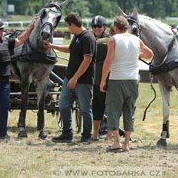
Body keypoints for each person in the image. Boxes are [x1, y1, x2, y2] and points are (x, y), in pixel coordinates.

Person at [100, 16, 153, 152]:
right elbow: (149, 54)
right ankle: (126, 144)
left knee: (113, 110)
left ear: (116, 28)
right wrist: (137, 55)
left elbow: (108, 61)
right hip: (133, 80)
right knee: (130, 110)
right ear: (127, 28)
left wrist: (102, 80)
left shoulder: (113, 39)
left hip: (117, 79)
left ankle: (116, 142)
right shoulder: (137, 40)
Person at [44, 12, 96, 143]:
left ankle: (86, 136)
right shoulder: (77, 37)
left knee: (85, 108)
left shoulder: (88, 38)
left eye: (68, 26)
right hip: (70, 78)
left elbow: (87, 60)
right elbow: (70, 49)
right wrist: (52, 46)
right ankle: (67, 133)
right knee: (63, 104)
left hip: (83, 81)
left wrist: (75, 78)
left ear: (72, 25)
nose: (68, 29)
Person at [92, 23, 114, 141]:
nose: (96, 28)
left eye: (98, 26)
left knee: (97, 106)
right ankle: (109, 135)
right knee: (113, 108)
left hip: (98, 79)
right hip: (116, 81)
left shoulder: (99, 43)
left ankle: (95, 133)